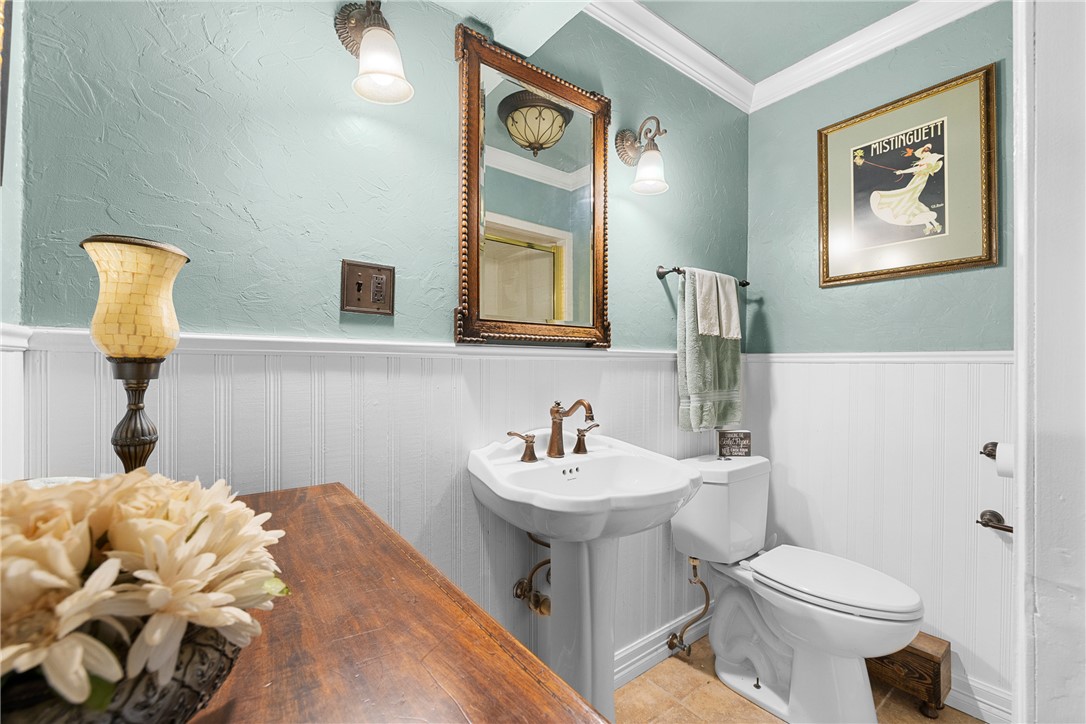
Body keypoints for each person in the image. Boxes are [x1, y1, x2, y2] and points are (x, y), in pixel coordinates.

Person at [869, 143, 945, 235]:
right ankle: (931, 224)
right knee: (912, 202)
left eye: (926, 151)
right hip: (916, 180)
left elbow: (916, 168)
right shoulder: (923, 161)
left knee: (908, 196)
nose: (924, 153)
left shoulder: (928, 162)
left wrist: (902, 171)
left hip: (919, 181)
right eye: (924, 151)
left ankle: (934, 224)